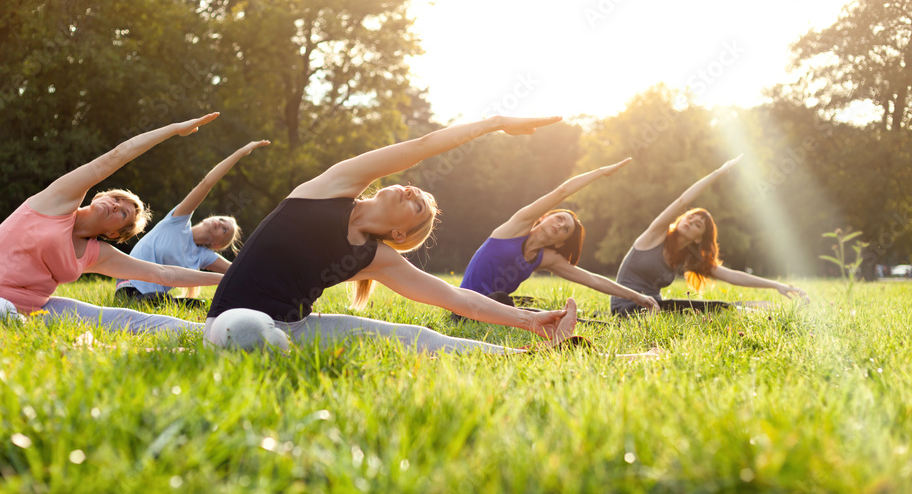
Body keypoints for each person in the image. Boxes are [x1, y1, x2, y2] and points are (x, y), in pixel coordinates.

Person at [204, 116, 585, 354]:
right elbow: (420, 148)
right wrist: (492, 123)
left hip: (296, 328)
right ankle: (281, 353)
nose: (411, 191)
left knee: (419, 337)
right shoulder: (332, 187)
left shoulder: (375, 258)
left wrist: (534, 320)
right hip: (231, 320)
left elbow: (459, 299)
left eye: (417, 205)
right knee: (250, 330)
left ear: (399, 232)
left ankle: (532, 354)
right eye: (415, 190)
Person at [0, 114, 226, 333]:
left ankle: (206, 332)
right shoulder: (55, 204)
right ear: (102, 194)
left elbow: (165, 275)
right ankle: (22, 331)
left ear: (114, 232)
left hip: (35, 309)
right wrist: (174, 129)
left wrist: (227, 278)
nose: (116, 205)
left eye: (123, 214)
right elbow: (115, 156)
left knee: (124, 318)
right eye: (117, 199)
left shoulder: (96, 253)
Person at [457, 157, 660, 316]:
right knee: (505, 301)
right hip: (463, 307)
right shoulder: (516, 227)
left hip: (495, 309)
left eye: (565, 230)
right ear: (545, 216)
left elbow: (592, 280)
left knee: (538, 312)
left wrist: (637, 297)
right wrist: (600, 173)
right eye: (560, 218)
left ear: (561, 242)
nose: (560, 225)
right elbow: (562, 191)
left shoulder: (545, 258)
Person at [610, 155, 809, 316]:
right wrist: (717, 173)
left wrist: (776, 285)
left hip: (654, 309)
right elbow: (681, 201)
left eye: (697, 225)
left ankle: (768, 311)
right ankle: (758, 312)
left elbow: (732, 276)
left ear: (698, 238)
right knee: (719, 310)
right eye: (689, 218)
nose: (690, 222)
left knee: (719, 307)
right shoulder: (654, 236)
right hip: (626, 310)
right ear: (680, 219)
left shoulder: (686, 257)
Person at [115, 140, 270, 308]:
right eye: (221, 219)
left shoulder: (202, 256)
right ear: (209, 218)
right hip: (129, 291)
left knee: (202, 305)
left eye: (225, 229)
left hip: (156, 299)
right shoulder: (177, 222)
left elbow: (238, 272)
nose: (220, 223)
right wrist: (239, 153)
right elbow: (207, 183)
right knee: (162, 300)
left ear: (216, 244)